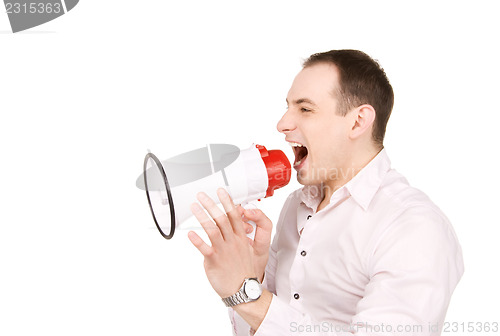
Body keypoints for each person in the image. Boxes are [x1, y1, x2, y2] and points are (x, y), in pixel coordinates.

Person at [187, 49, 464, 335]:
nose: (282, 124)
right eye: (288, 107)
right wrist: (251, 277)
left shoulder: (414, 226)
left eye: (305, 109)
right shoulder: (297, 204)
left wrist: (249, 297)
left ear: (358, 122)